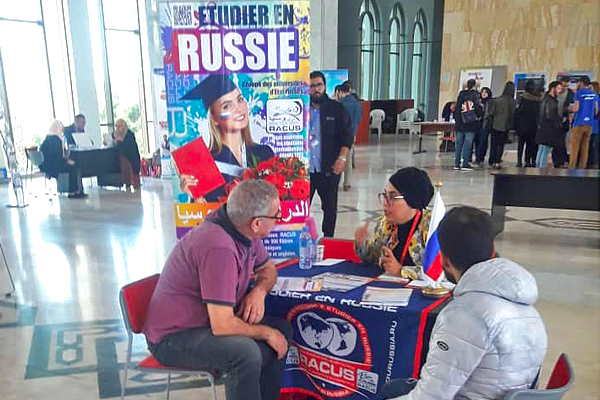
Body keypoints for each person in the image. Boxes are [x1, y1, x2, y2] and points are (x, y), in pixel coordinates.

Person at [143, 180, 292, 400]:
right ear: (257, 223)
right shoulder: (218, 246)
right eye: (276, 214)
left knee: (282, 329)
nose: (280, 218)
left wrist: (259, 291)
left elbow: (268, 268)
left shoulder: (243, 229)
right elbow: (222, 325)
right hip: (174, 337)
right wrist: (266, 333)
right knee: (247, 354)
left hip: (206, 323)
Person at [379, 206, 547, 400]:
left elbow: (430, 397)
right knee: (396, 388)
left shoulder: (463, 316)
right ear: (491, 249)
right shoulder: (523, 298)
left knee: (390, 391)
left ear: (444, 260)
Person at [179, 75, 275, 202]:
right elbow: (205, 218)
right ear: (214, 118)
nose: (239, 109)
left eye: (240, 99)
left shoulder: (265, 153)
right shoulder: (205, 163)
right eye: (227, 106)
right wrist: (196, 196)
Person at [354, 167, 434, 278]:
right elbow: (374, 258)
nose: (385, 203)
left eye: (392, 197)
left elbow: (442, 273)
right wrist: (361, 243)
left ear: (412, 200)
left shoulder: (432, 226)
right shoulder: (386, 223)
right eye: (385, 195)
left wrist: (401, 271)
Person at [309, 71, 353, 237]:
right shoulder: (301, 109)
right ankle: (301, 242)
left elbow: (347, 136)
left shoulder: (336, 109)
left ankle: (329, 241)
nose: (315, 89)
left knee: (329, 208)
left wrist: (342, 158)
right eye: (312, 86)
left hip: (329, 169)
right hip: (305, 172)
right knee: (301, 208)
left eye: (318, 85)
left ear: (325, 86)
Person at [39, 120, 86, 198]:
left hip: (47, 165)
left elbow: (56, 155)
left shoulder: (48, 138)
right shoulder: (55, 140)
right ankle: (73, 192)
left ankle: (77, 190)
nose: (62, 132)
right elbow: (57, 157)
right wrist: (67, 161)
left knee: (74, 165)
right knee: (74, 166)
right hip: (53, 166)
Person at [335, 83, 363, 191]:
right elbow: (359, 119)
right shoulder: (357, 104)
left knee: (339, 157)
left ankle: (336, 182)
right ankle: (347, 183)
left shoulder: (340, 104)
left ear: (341, 92)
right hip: (352, 134)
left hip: (340, 135)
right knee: (348, 158)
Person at [569, 76, 599, 169]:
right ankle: (583, 168)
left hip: (578, 123)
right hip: (589, 124)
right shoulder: (594, 94)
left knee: (574, 147)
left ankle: (572, 167)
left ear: (581, 83)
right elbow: (596, 110)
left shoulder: (578, 93)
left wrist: (569, 109)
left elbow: (576, 108)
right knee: (585, 147)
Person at [453, 78, 482, 171]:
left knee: (458, 145)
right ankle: (465, 164)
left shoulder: (461, 94)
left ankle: (457, 164)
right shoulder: (476, 95)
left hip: (459, 124)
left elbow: (457, 109)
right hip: (470, 124)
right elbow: (477, 109)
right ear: (474, 85)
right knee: (467, 145)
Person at [486, 81, 516, 169]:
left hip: (495, 125)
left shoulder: (497, 100)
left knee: (493, 144)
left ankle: (491, 160)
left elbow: (491, 114)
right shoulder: (513, 102)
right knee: (500, 145)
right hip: (505, 126)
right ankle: (497, 161)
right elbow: (513, 115)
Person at [535, 81, 564, 168]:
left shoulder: (544, 98)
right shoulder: (551, 101)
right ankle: (541, 171)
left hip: (542, 128)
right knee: (546, 151)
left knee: (541, 150)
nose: (560, 91)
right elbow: (551, 116)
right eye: (558, 88)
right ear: (553, 88)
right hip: (549, 129)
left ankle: (538, 170)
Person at [515, 80, 543, 167]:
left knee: (521, 145)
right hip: (533, 126)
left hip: (522, 126)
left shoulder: (523, 98)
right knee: (530, 145)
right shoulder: (538, 99)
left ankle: (519, 161)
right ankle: (528, 161)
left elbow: (518, 112)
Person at [113, 119, 141, 189]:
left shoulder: (129, 134)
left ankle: (134, 183)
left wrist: (119, 141)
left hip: (131, 156)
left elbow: (127, 147)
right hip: (123, 158)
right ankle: (126, 182)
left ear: (124, 126)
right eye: (116, 127)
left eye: (119, 126)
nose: (117, 129)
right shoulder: (116, 134)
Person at [553, 77, 574, 168]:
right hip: (553, 120)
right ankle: (557, 161)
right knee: (556, 142)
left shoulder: (570, 94)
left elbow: (572, 107)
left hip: (564, 120)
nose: (565, 88)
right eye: (564, 86)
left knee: (562, 141)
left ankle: (562, 160)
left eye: (567, 86)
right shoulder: (555, 93)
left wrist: (570, 111)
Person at [475, 87, 493, 166]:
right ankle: (478, 157)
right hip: (477, 125)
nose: (484, 93)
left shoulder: (490, 102)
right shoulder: (478, 102)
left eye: (486, 92)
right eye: (482, 92)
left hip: (485, 125)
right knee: (477, 142)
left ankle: (479, 158)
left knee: (483, 142)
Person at [588, 81, 600, 168]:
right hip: (591, 125)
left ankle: (593, 163)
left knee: (594, 145)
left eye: (590, 88)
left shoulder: (596, 98)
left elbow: (596, 113)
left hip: (594, 126)